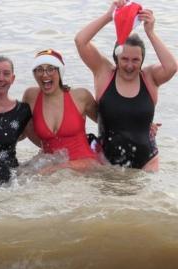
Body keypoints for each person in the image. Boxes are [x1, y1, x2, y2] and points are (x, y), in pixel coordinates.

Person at [74, 0, 177, 171]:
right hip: (107, 163)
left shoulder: (150, 78)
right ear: (116, 58)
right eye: (125, 59)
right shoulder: (104, 73)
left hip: (147, 163)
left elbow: (172, 67)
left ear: (142, 60)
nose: (130, 65)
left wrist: (150, 33)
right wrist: (109, 16)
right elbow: (80, 41)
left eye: (136, 60)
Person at [22, 49, 101, 172]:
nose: (44, 74)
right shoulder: (30, 96)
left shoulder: (80, 96)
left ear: (60, 71)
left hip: (85, 166)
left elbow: (106, 124)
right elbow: (23, 130)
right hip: (50, 166)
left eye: (50, 68)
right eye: (39, 69)